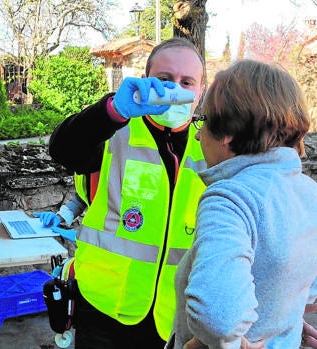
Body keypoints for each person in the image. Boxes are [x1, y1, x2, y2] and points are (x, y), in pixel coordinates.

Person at [48, 37, 207, 348]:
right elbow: (63, 149)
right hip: (104, 308)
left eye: (186, 81)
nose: (174, 88)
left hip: (172, 315)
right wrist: (113, 110)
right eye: (163, 79)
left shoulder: (209, 147)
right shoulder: (115, 129)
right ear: (146, 80)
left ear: (200, 91)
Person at [167, 59, 317, 349]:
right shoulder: (309, 192)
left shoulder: (230, 198)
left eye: (204, 121)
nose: (197, 134)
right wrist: (284, 323)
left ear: (229, 132)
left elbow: (218, 318)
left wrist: (227, 342)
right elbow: (307, 290)